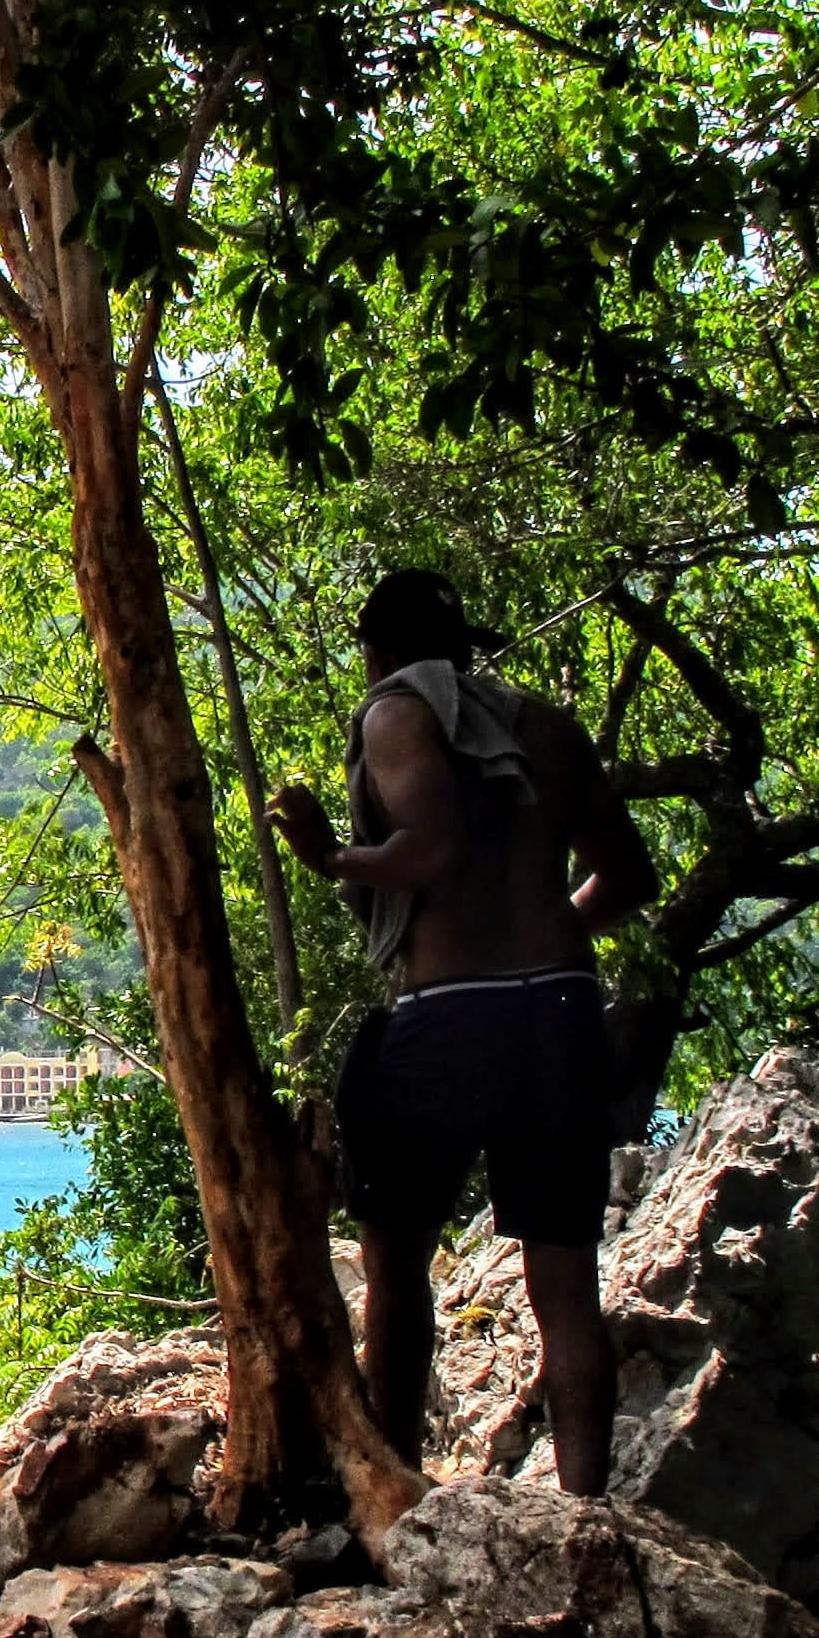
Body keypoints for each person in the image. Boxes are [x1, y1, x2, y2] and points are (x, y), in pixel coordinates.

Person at [267, 569, 659, 1499]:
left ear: (381, 653)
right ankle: (584, 1511)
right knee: (565, 1286)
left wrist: (327, 855)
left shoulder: (396, 714)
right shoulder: (551, 729)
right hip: (559, 1013)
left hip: (449, 1017)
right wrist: (549, 932)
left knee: (397, 1271)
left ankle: (395, 1493)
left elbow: (429, 851)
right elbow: (630, 878)